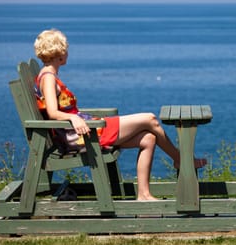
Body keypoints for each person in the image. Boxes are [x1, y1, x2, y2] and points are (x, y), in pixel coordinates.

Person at [33, 29, 206, 201]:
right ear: (59, 52)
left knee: (148, 139)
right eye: (65, 48)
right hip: (82, 136)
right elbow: (52, 112)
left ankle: (144, 195)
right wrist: (73, 117)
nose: (67, 52)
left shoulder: (50, 75)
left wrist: (75, 117)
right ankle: (182, 160)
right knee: (150, 119)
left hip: (86, 130)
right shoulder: (48, 77)